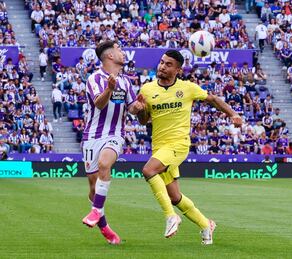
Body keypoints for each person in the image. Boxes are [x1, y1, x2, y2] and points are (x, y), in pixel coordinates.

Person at [136, 50, 242, 245]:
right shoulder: (147, 90)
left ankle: (170, 216)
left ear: (178, 69)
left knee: (148, 170)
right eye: (161, 62)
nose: (162, 66)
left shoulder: (188, 88)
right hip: (159, 147)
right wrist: (139, 111)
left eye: (168, 64)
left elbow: (214, 99)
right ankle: (205, 225)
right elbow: (144, 120)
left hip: (178, 144)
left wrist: (233, 114)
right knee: (175, 197)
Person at [81, 41, 144, 244]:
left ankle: (95, 212)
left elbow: (132, 107)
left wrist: (139, 106)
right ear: (109, 55)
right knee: (93, 188)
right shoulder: (94, 79)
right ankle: (105, 227)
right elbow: (98, 104)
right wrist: (109, 89)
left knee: (104, 165)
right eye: (119, 49)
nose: (123, 53)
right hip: (92, 137)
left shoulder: (126, 82)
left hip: (115, 134)